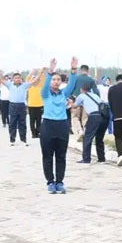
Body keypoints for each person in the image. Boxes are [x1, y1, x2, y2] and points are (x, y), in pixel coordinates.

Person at [40, 57, 77, 194]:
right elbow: (45, 85)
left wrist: (73, 70)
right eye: (54, 79)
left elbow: (72, 85)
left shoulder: (63, 94)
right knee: (47, 156)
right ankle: (50, 182)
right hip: (48, 125)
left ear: (61, 82)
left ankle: (60, 182)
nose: (56, 81)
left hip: (61, 125)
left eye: (58, 80)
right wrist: (50, 71)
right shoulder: (45, 94)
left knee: (61, 156)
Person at [0, 66, 43, 146]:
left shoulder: (24, 85)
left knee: (22, 123)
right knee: (12, 123)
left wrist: (41, 73)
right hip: (12, 105)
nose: (17, 79)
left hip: (21, 106)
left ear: (21, 79)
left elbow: (34, 80)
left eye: (19, 78)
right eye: (16, 78)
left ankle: (23, 140)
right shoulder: (10, 85)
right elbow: (1, 79)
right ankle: (12, 140)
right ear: (13, 79)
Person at [74, 82, 109, 164]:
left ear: (82, 89)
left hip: (94, 117)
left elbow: (74, 106)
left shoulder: (81, 96)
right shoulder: (96, 96)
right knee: (99, 138)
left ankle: (86, 159)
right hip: (104, 117)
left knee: (87, 137)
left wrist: (70, 102)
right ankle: (101, 158)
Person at [71, 64, 99, 135]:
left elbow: (71, 88)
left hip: (76, 99)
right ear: (88, 71)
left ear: (80, 70)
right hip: (87, 101)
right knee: (85, 117)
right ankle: (86, 130)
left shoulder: (76, 78)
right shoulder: (91, 80)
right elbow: (96, 92)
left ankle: (79, 131)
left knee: (75, 117)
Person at [26, 69, 44, 138]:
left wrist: (41, 72)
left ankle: (38, 132)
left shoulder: (40, 86)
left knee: (39, 120)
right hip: (31, 105)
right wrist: (31, 73)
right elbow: (27, 79)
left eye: (36, 79)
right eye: (33, 79)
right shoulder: (29, 86)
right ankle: (33, 133)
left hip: (39, 105)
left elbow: (43, 78)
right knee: (32, 120)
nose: (35, 80)